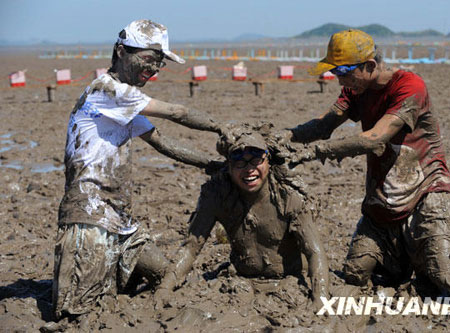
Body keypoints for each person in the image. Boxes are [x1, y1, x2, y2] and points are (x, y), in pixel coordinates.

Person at [280, 29, 450, 298]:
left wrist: (315, 153)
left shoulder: (409, 86)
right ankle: (406, 262)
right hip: (385, 199)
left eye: (344, 72)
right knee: (356, 274)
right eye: (335, 73)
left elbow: (375, 138)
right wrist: (282, 137)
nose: (340, 82)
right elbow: (324, 125)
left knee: (447, 277)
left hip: (426, 190)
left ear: (370, 65)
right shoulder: (355, 90)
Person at [52, 19, 224, 320]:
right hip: (89, 218)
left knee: (167, 277)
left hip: (120, 219)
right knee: (78, 313)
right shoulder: (107, 90)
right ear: (121, 51)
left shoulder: (125, 106)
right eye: (148, 59)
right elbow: (177, 112)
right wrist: (223, 127)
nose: (154, 68)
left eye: (159, 63)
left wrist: (212, 166)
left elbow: (162, 142)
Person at [156, 126, 329, 309]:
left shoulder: (288, 197)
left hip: (288, 281)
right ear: (229, 167)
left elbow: (314, 252)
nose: (249, 169)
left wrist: (321, 298)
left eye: (256, 160)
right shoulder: (217, 195)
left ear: (268, 162)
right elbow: (190, 248)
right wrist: (164, 289)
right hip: (239, 281)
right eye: (240, 162)